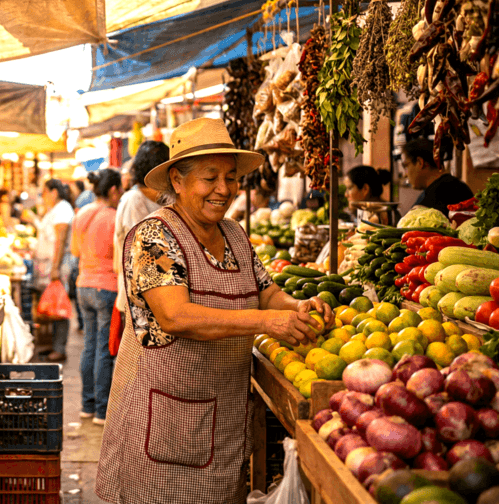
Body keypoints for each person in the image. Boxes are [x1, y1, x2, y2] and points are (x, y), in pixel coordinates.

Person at [96, 118, 333, 504]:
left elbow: (265, 291)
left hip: (221, 419)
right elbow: (176, 316)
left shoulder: (235, 235)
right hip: (163, 423)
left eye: (231, 177)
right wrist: (268, 322)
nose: (224, 189)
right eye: (210, 178)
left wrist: (296, 306)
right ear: (177, 180)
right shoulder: (155, 236)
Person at [71, 168, 123, 426]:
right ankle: (102, 411)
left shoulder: (82, 213)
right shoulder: (114, 217)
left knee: (90, 346)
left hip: (83, 285)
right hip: (106, 287)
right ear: (113, 190)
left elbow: (75, 250)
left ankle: (86, 406)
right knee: (104, 349)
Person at [113, 140, 170, 355]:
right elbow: (144, 250)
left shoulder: (161, 199)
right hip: (140, 299)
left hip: (161, 297)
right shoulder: (134, 200)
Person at [31, 179, 75, 361]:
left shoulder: (63, 209)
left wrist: (55, 268)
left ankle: (59, 347)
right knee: (52, 305)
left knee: (59, 305)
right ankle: (52, 344)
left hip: (58, 265)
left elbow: (60, 239)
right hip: (49, 264)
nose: (43, 196)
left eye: (44, 192)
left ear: (54, 192)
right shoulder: (56, 209)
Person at [400, 138, 474, 215]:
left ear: (420, 162)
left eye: (405, 166)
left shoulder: (433, 199)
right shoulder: (460, 187)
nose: (405, 174)